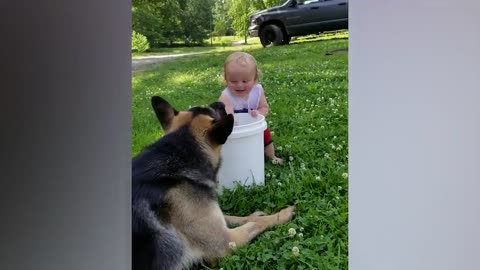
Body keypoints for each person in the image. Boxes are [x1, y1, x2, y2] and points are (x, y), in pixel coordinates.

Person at [218, 52, 284, 164]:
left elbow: (264, 107)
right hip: (236, 128)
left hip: (254, 125)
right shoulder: (226, 95)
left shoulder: (257, 90)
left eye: (245, 81)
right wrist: (230, 120)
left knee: (266, 136)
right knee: (236, 149)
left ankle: (271, 156)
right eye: (233, 81)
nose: (239, 85)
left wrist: (258, 113)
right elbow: (225, 113)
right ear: (226, 78)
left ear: (255, 78)